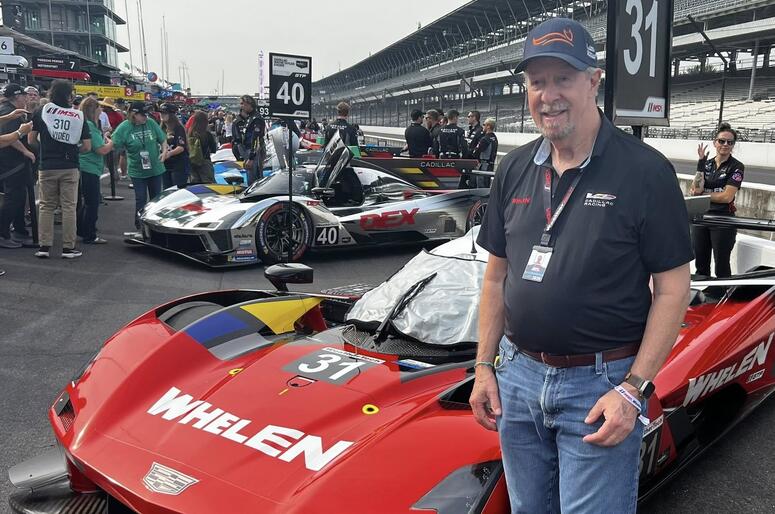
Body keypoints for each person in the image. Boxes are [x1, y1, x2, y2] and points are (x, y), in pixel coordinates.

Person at [469, 18, 693, 514]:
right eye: (537, 82)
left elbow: (674, 290)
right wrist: (485, 366)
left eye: (562, 78)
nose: (548, 95)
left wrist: (634, 389)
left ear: (593, 81)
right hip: (519, 378)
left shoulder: (645, 171)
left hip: (600, 384)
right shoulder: (514, 167)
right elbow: (495, 277)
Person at [29, 79, 92, 258]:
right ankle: (68, 248)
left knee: (46, 206)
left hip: (47, 165)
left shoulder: (42, 111)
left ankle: (44, 247)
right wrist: (73, 152)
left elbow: (31, 140)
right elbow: (87, 146)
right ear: (68, 95)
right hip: (69, 165)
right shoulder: (77, 116)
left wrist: (43, 150)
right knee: (69, 207)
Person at [690, 122, 744, 278]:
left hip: (723, 220)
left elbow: (727, 197)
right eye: (722, 141)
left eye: (730, 142)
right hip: (702, 217)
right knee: (701, 263)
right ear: (715, 142)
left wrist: (703, 195)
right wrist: (700, 163)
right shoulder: (706, 164)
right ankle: (701, 298)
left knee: (721, 265)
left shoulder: (737, 166)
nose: (725, 145)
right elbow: (696, 190)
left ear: (733, 145)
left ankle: (723, 297)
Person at [110, 101, 168, 230]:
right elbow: (113, 143)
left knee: (156, 199)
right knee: (141, 199)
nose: (145, 117)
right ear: (134, 114)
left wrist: (164, 152)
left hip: (155, 168)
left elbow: (162, 139)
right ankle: (140, 225)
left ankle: (155, 226)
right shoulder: (124, 127)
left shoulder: (151, 123)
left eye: (147, 115)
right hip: (137, 170)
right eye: (143, 115)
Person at [0, 84, 36, 249]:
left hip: (13, 164)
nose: (27, 98)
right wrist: (25, 150)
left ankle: (18, 230)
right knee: (14, 198)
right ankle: (3, 233)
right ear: (17, 96)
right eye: (24, 95)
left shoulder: (9, 110)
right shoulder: (7, 109)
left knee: (19, 197)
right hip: (11, 164)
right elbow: (5, 138)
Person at [77, 97, 113, 244]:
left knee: (84, 202)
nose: (101, 110)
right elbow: (101, 150)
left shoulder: (83, 123)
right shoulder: (90, 126)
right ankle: (89, 234)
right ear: (94, 109)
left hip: (83, 165)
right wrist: (111, 142)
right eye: (99, 107)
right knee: (92, 202)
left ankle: (82, 228)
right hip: (89, 166)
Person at [231, 95, 266, 183]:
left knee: (254, 180)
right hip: (248, 151)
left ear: (249, 104)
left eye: (243, 104)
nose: (241, 106)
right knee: (250, 178)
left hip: (254, 152)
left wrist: (251, 158)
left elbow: (256, 139)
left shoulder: (256, 119)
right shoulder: (248, 118)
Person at [159, 103, 189, 189]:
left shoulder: (178, 128)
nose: (161, 115)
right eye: (161, 113)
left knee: (178, 190)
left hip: (179, 164)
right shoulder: (161, 128)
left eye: (164, 113)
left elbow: (181, 147)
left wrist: (169, 154)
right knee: (166, 190)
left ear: (171, 115)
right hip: (165, 164)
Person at [187, 110, 217, 183]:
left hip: (192, 162)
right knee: (209, 187)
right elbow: (213, 149)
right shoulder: (207, 134)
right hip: (205, 162)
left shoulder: (190, 133)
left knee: (195, 186)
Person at [470, 118, 498, 188]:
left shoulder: (485, 139)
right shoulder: (494, 137)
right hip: (491, 164)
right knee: (486, 186)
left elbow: (475, 152)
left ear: (488, 126)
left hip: (484, 166)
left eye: (484, 124)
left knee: (481, 187)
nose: (483, 126)